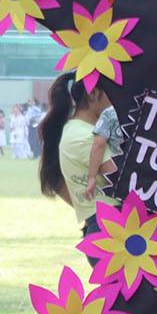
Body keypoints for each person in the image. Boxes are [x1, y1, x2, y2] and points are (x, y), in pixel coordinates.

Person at [39, 72, 117, 255]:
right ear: (93, 94)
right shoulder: (85, 137)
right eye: (112, 92)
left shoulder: (79, 131)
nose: (116, 100)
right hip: (110, 232)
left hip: (106, 229)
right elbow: (123, 179)